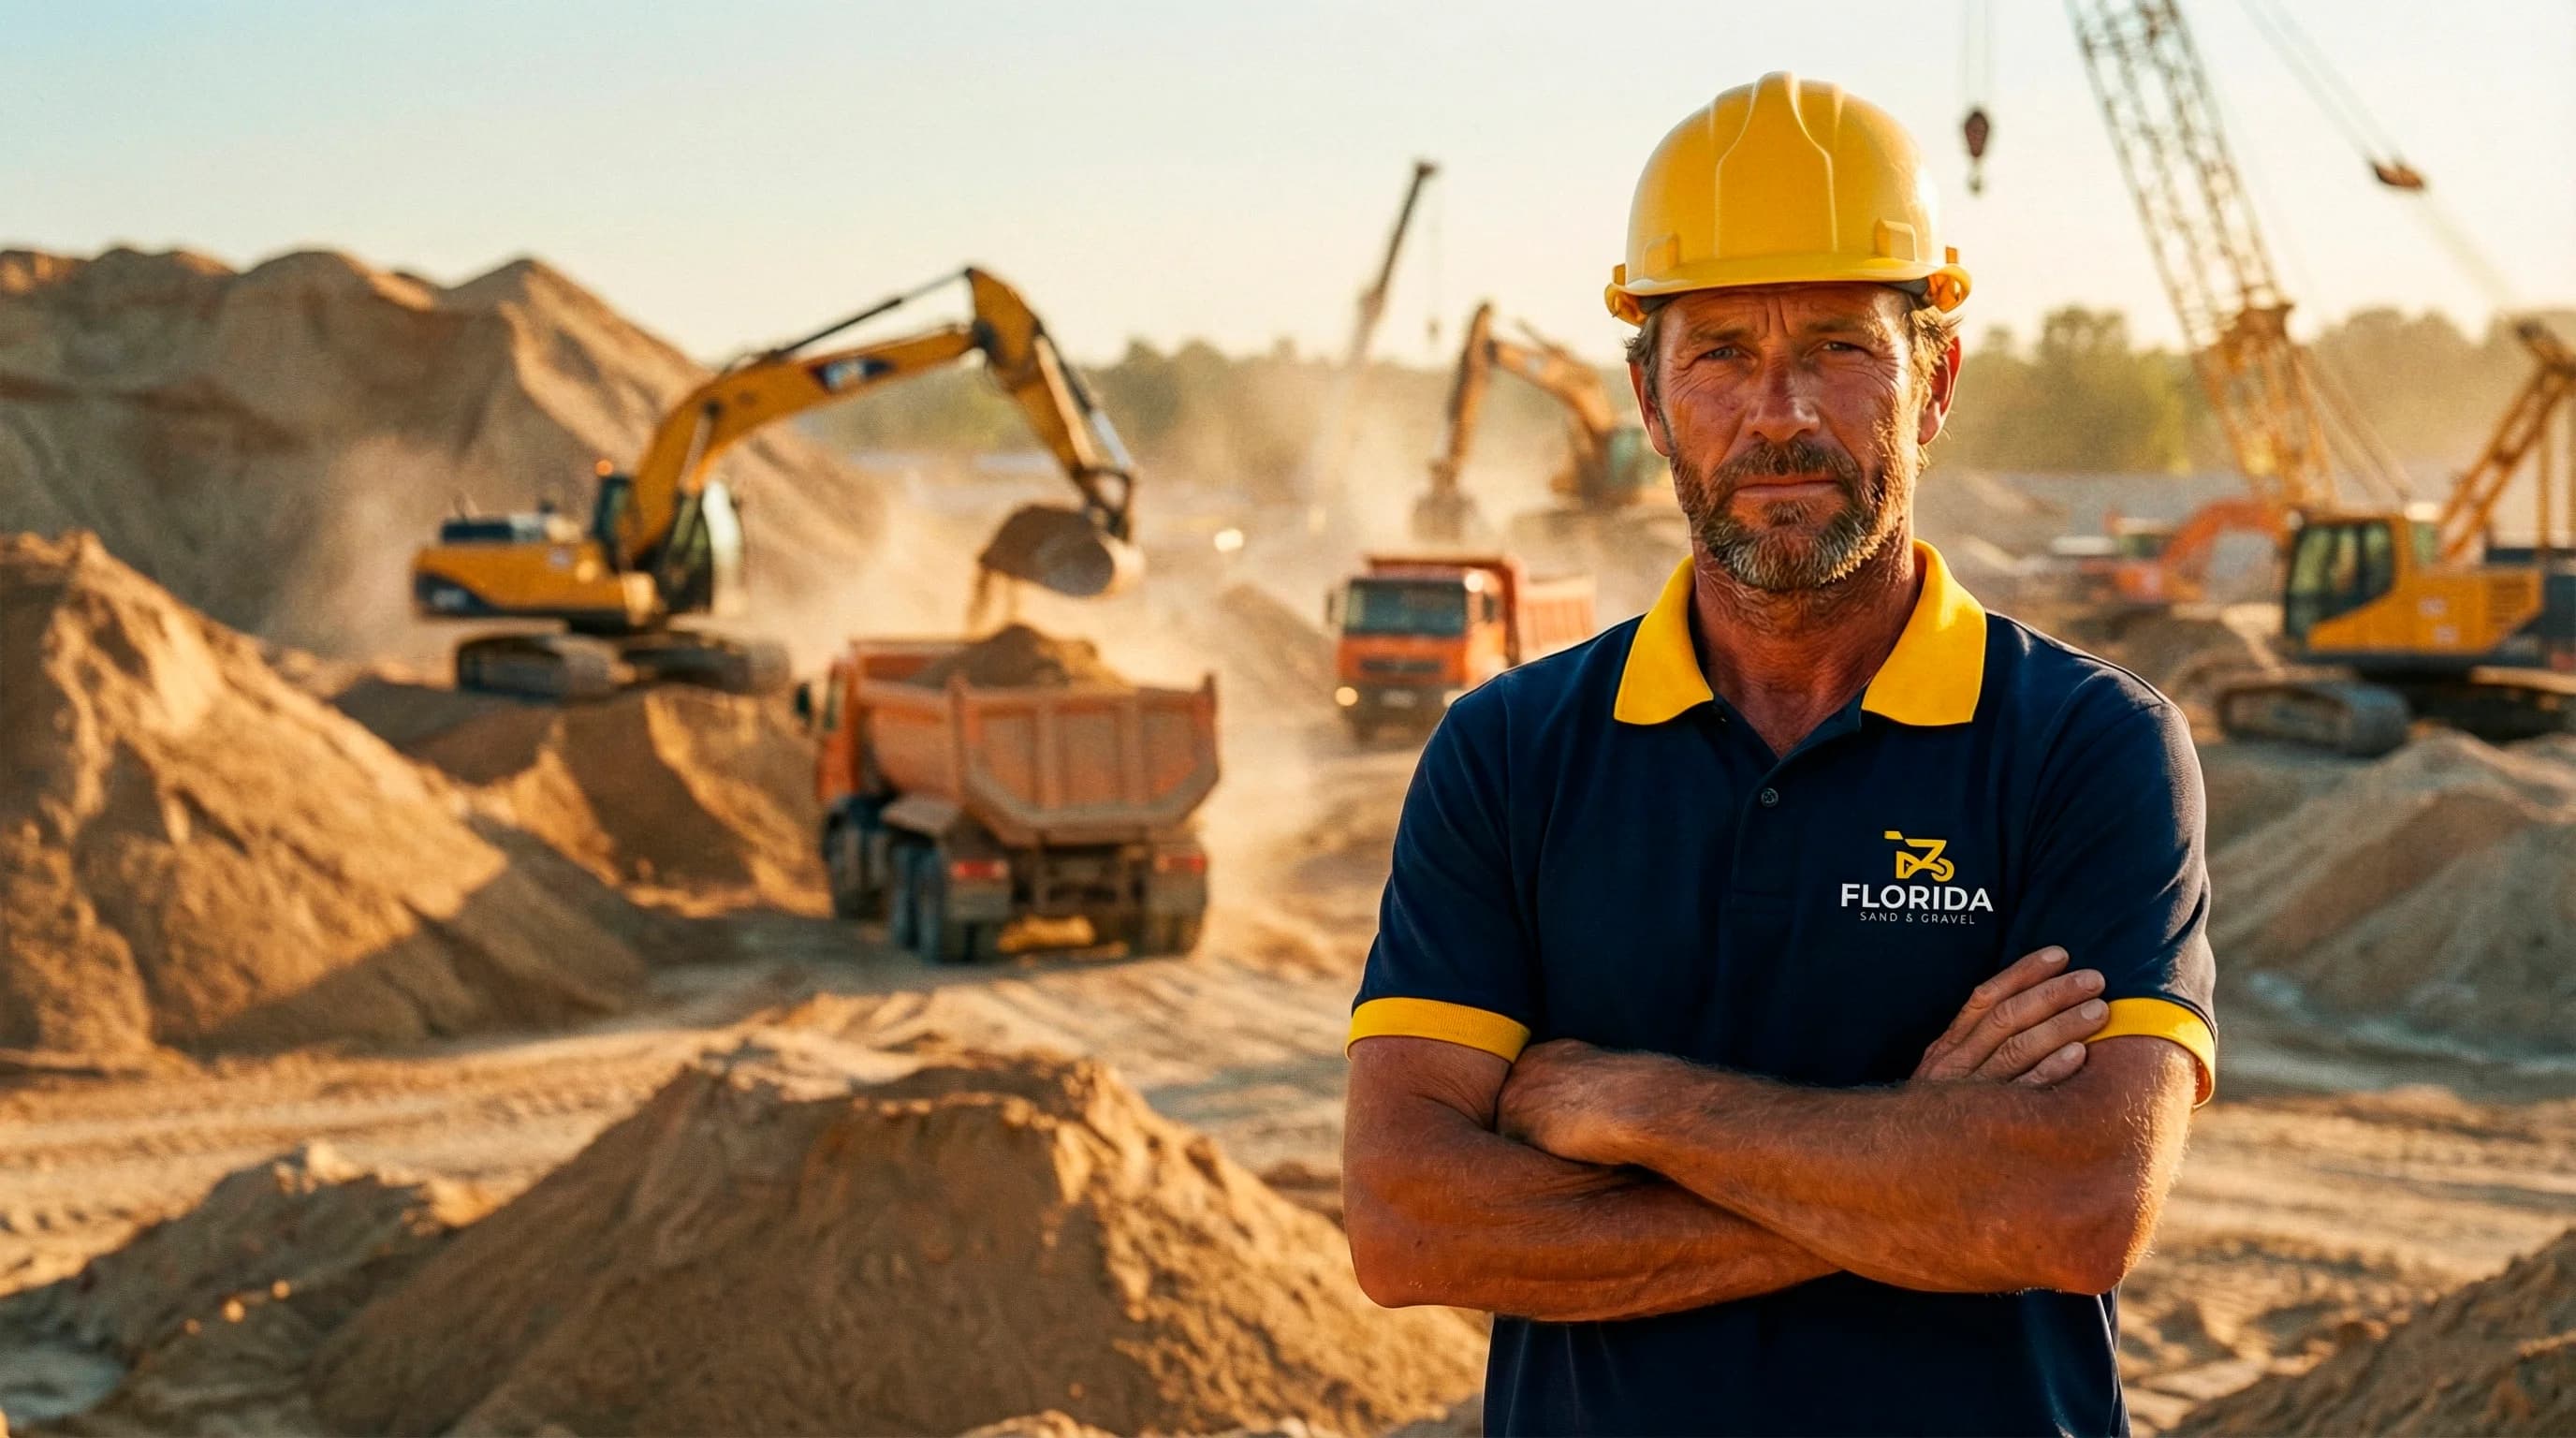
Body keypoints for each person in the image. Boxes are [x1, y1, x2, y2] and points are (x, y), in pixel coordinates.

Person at [1341, 72, 2215, 1437]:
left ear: (1934, 382)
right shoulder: (1506, 754)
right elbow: (1407, 1225)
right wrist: (1924, 1167)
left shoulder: (2088, 748)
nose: (1780, 412)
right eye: (1721, 357)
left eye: (1839, 346)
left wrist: (1638, 1104)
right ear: (1647, 396)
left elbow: (2078, 1206)